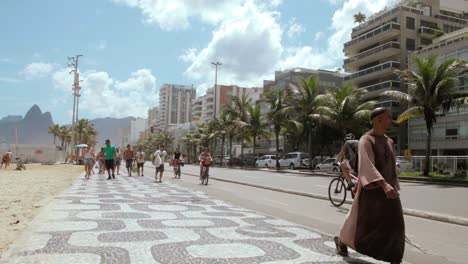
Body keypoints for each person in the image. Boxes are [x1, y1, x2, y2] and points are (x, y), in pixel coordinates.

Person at [335, 108, 404, 264]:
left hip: (389, 190)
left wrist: (393, 185)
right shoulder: (366, 140)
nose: (391, 121)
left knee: (396, 225)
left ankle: (394, 258)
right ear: (378, 120)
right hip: (372, 190)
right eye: (388, 118)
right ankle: (342, 241)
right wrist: (384, 185)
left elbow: (392, 165)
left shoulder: (389, 141)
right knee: (362, 225)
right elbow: (367, 165)